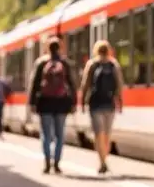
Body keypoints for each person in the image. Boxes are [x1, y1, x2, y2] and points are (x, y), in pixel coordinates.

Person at [28, 37, 77, 174]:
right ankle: (56, 162)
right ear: (60, 48)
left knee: (46, 134)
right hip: (61, 103)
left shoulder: (41, 63)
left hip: (45, 103)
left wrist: (32, 103)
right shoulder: (65, 63)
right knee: (59, 135)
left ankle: (47, 162)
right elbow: (72, 84)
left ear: (47, 48)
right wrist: (74, 102)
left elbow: (34, 84)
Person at [79, 40, 124, 174]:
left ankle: (102, 162)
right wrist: (120, 101)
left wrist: (82, 102)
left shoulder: (92, 64)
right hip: (109, 103)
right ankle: (105, 159)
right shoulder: (113, 64)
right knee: (107, 135)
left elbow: (85, 84)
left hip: (95, 103)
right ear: (108, 50)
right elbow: (119, 84)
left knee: (98, 134)